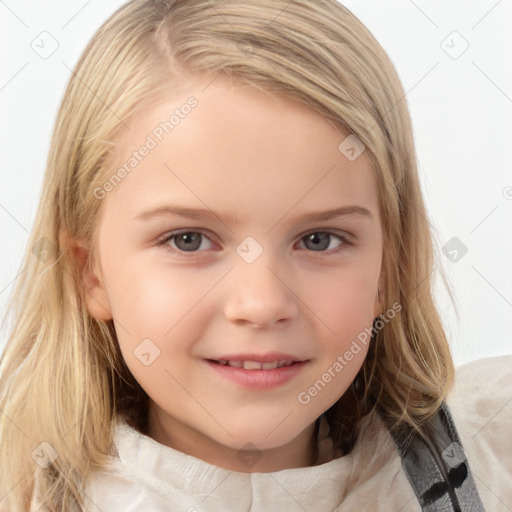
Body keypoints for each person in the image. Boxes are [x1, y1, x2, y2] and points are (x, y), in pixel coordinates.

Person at [0, 1, 510, 510]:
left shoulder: (494, 460)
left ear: (389, 268)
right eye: (188, 240)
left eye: (319, 239)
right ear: (90, 273)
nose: (262, 304)